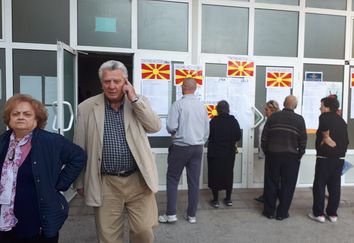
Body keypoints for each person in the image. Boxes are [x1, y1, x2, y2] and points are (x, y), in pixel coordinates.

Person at [73, 60, 161, 243]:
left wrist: (135, 99)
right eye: (107, 82)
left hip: (138, 180)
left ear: (126, 82)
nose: (112, 86)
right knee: (108, 236)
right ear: (101, 83)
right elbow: (79, 147)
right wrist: (80, 180)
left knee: (144, 231)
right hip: (106, 183)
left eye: (117, 81)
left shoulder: (138, 101)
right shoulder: (87, 107)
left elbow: (154, 127)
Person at [0, 94, 86, 243]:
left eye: (27, 114)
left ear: (37, 118)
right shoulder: (3, 140)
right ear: (9, 118)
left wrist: (60, 184)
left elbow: (78, 156)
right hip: (5, 219)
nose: (20, 117)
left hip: (37, 221)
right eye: (15, 114)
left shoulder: (50, 141)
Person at [159, 78, 209, 224]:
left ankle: (171, 214)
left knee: (173, 179)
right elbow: (207, 130)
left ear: (183, 87)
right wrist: (200, 141)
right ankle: (192, 215)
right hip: (197, 148)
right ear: (195, 88)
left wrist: (177, 133)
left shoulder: (178, 105)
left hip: (180, 147)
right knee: (194, 182)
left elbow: (171, 126)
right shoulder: (201, 106)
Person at [261, 95, 307, 220]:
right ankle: (282, 213)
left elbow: (264, 137)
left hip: (273, 154)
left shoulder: (273, 117)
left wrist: (267, 151)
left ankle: (269, 212)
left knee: (271, 183)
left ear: (284, 103)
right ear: (295, 106)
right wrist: (299, 155)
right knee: (288, 185)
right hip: (291, 157)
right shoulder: (299, 120)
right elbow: (303, 141)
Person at [308, 95, 349, 223]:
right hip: (339, 159)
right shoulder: (342, 121)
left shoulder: (324, 117)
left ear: (327, 107)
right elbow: (346, 141)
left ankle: (319, 214)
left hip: (324, 158)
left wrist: (327, 139)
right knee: (335, 186)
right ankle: (332, 214)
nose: (320, 108)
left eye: (321, 105)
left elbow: (325, 132)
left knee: (319, 185)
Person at [207, 100, 241, 208]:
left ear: (217, 110)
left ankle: (215, 200)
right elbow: (238, 136)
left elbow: (208, 135)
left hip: (215, 154)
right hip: (229, 153)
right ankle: (228, 199)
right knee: (228, 174)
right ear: (228, 109)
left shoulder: (213, 121)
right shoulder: (233, 121)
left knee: (214, 175)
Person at [255, 100, 280, 203]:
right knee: (268, 175)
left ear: (273, 110)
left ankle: (271, 197)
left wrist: (265, 150)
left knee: (273, 177)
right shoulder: (267, 119)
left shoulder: (275, 120)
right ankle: (266, 195)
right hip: (266, 151)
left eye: (266, 109)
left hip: (272, 152)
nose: (265, 111)